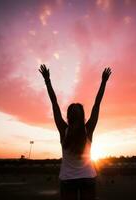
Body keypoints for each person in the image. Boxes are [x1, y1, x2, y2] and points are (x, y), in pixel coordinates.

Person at [39, 64, 111, 200]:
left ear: (68, 117)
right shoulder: (88, 129)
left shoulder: (63, 130)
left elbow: (54, 104)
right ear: (83, 116)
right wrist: (103, 82)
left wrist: (47, 81)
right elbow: (97, 104)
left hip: (68, 180)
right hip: (88, 178)